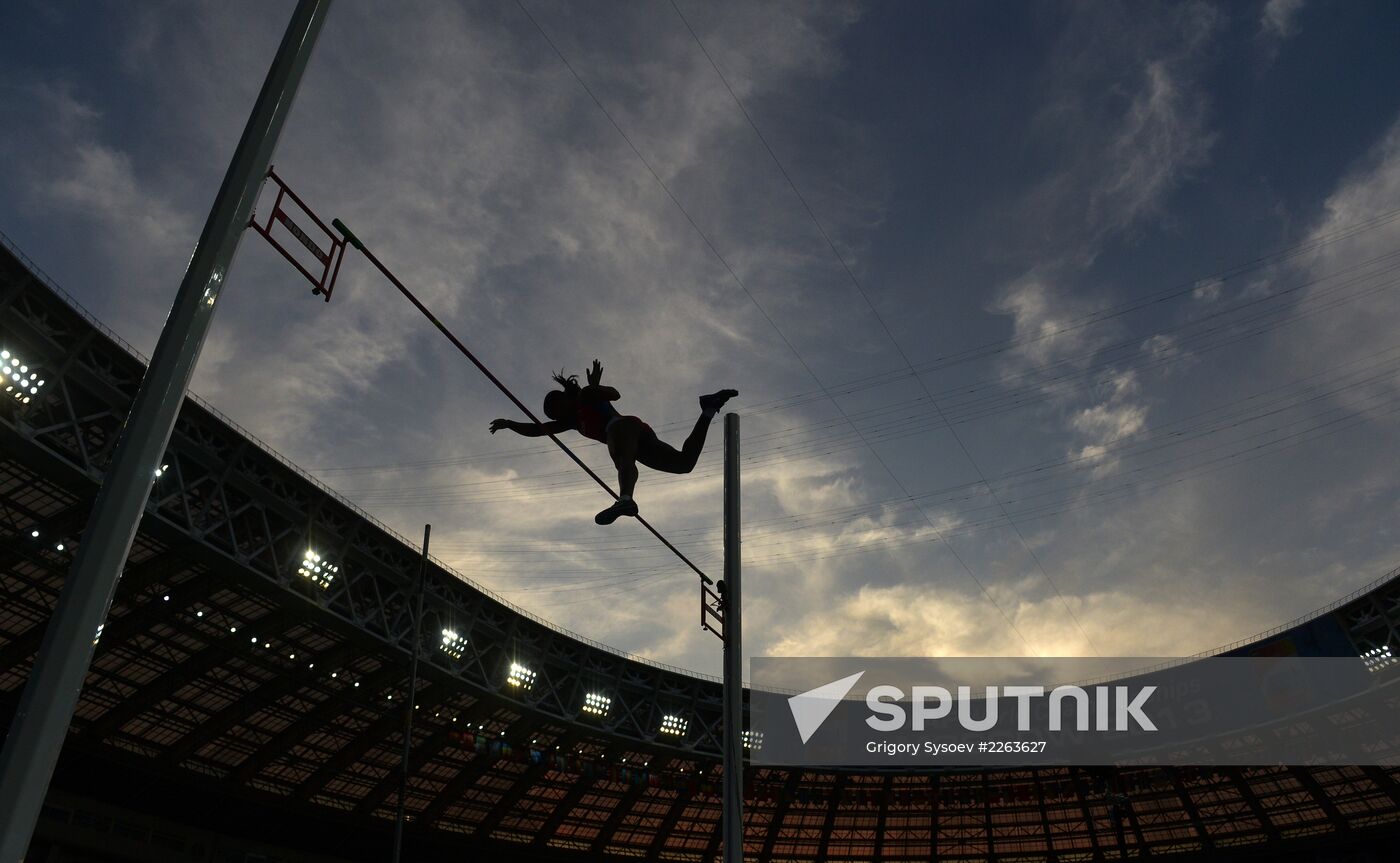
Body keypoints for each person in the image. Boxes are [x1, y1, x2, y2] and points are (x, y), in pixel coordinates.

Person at [489, 360, 736, 525]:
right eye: (553, 416)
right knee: (684, 464)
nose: (556, 416)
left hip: (622, 427)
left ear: (563, 399)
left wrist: (595, 388)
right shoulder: (572, 421)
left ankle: (625, 500)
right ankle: (708, 409)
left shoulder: (585, 397)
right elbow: (539, 430)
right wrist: (510, 424)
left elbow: (615, 394)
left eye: (555, 409)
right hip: (637, 434)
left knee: (623, 460)